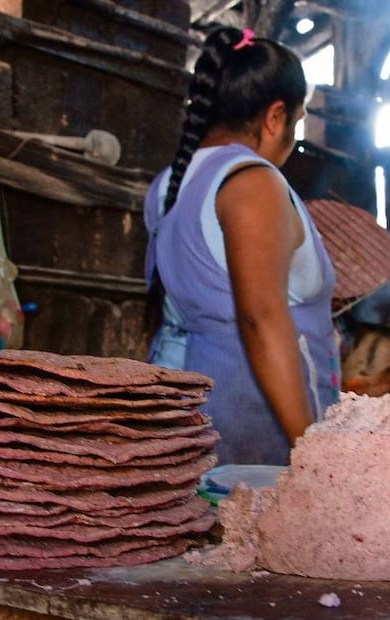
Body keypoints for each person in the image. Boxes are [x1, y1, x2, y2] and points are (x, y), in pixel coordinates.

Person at [143, 26, 340, 465]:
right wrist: (311, 453)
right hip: (251, 433)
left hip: (185, 420)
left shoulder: (168, 185)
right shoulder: (253, 182)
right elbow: (261, 320)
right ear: (275, 117)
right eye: (297, 119)